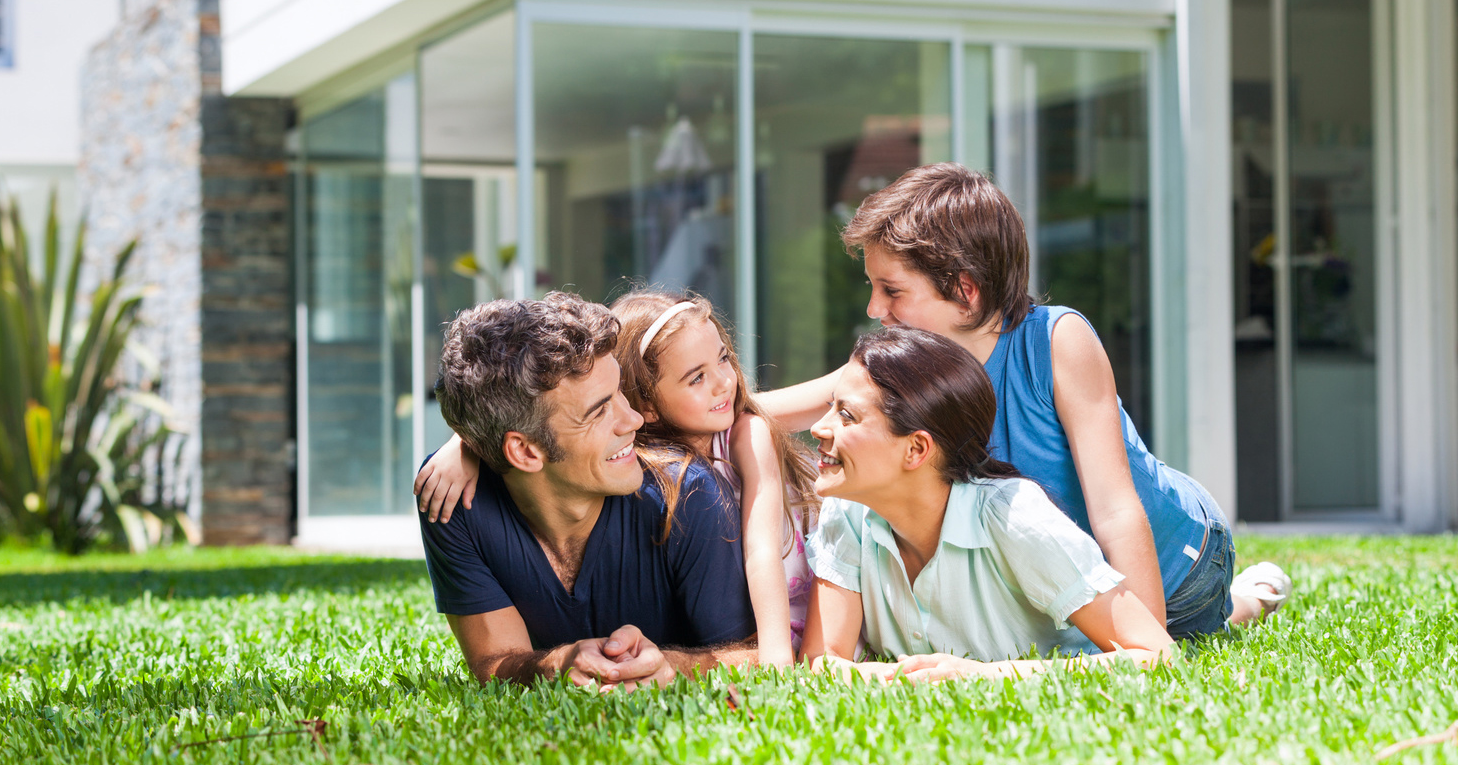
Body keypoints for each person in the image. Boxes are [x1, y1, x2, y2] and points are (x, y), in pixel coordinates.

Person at [763, 163, 1290, 640]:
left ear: (965, 290)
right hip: (1071, 576)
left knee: (1187, 630)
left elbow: (1115, 508)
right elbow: (782, 407)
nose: (876, 307)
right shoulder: (910, 365)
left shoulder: (1056, 342)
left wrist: (1144, 641)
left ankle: (1249, 597)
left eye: (892, 290)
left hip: (1178, 562)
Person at [418, 290, 820, 666]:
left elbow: (754, 653)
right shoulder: (451, 496)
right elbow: (494, 663)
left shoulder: (695, 485)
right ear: (523, 451)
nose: (632, 421)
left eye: (621, 393)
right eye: (598, 411)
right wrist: (467, 440)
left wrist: (677, 667)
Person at [803, 326, 1177, 682]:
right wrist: (886, 676)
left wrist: (983, 675)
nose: (818, 428)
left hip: (1189, 570)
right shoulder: (847, 510)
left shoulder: (1016, 519)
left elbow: (1157, 654)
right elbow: (821, 661)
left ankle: (1239, 600)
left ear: (916, 449)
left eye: (846, 415)